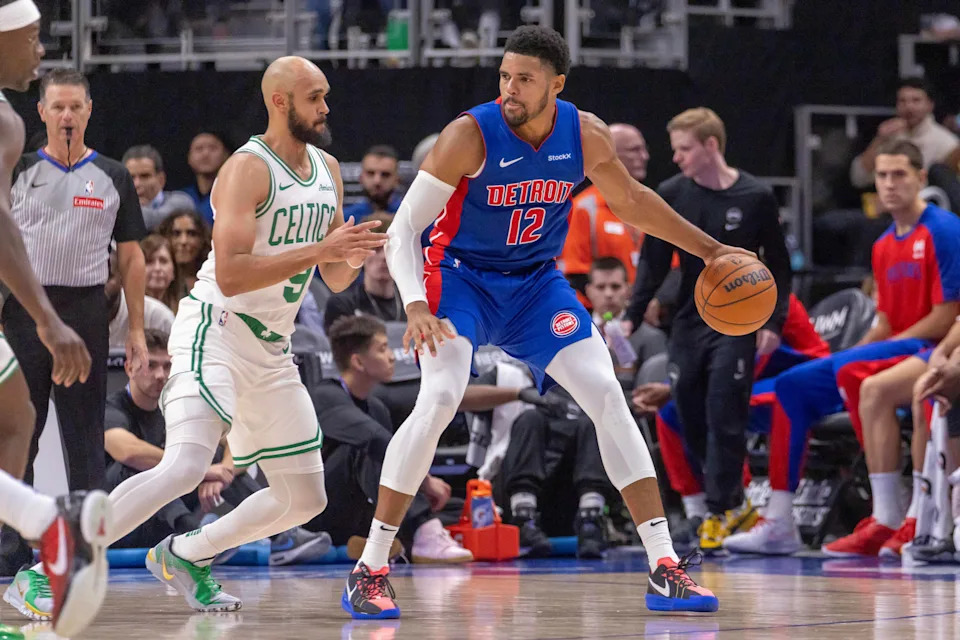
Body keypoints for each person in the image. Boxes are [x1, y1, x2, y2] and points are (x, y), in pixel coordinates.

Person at [342, 25, 753, 619]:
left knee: (609, 395)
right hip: (459, 279)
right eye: (504, 75)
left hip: (536, 283)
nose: (510, 88)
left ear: (556, 85)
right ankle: (371, 566)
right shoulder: (468, 134)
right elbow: (405, 228)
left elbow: (633, 202)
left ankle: (664, 566)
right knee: (438, 399)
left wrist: (712, 250)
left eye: (525, 79)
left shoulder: (584, 134)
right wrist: (414, 305)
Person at [18, 56, 388, 614]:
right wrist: (319, 250)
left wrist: (352, 253)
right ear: (281, 102)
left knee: (305, 497)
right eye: (316, 96)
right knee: (187, 462)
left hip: (271, 348)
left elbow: (332, 276)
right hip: (215, 327)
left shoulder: (329, 169)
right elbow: (234, 273)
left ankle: (188, 553)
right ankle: (52, 567)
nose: (326, 106)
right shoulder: (247, 168)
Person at [762, 141, 960, 557]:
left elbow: (945, 318)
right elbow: (885, 322)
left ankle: (896, 514)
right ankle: (778, 518)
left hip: (931, 347)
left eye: (899, 175)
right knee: (794, 385)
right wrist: (850, 351)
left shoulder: (943, 229)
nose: (889, 184)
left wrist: (857, 357)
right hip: (896, 347)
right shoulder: (883, 243)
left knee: (856, 374)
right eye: (882, 176)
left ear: (921, 179)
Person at [1, 67, 147, 578]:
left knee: (85, 434)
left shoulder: (113, 174)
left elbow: (131, 258)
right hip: (23, 312)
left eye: (75, 107)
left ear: (89, 111)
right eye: (57, 107)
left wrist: (133, 331)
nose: (66, 115)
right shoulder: (15, 169)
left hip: (85, 311)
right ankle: (8, 551)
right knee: (22, 429)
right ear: (40, 111)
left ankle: (84, 553)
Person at [627, 107, 792, 552]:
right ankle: (726, 503)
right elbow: (653, 262)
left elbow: (778, 263)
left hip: (738, 322)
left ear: (710, 146)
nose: (676, 158)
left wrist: (773, 320)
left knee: (725, 409)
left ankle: (723, 507)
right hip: (689, 320)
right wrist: (632, 311)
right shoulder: (671, 192)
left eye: (684, 149)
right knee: (688, 410)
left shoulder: (755, 196)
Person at [0, 2, 109, 636]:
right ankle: (51, 530)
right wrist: (45, 317)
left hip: (61, 303)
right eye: (33, 39)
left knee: (15, 416)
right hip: (33, 308)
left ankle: (46, 532)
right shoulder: (6, 125)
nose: (40, 51)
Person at [310, 315, 473, 564]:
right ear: (358, 361)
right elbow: (377, 442)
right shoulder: (325, 395)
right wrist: (425, 480)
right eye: (383, 349)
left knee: (456, 506)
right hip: (321, 511)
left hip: (362, 508)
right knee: (371, 447)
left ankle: (392, 539)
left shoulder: (377, 407)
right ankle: (424, 533)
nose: (393, 356)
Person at [324, 211, 406, 333]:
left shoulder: (411, 301)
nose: (384, 257)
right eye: (376, 249)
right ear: (359, 253)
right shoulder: (342, 304)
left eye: (389, 250)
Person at [123, 144, 196, 231]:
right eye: (131, 177)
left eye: (145, 176)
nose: (137, 184)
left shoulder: (181, 202)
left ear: (161, 179)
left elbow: (157, 220)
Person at [180, 131, 231, 227]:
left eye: (213, 148)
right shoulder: (181, 197)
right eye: (199, 149)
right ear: (189, 157)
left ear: (226, 155)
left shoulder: (235, 194)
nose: (205, 154)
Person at [343, 145, 403, 221]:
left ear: (397, 180)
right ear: (361, 178)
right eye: (370, 173)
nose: (377, 181)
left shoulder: (411, 218)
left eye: (385, 174)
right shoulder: (345, 219)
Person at [157, 209, 211, 294]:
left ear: (202, 239)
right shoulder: (154, 280)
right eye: (176, 233)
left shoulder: (212, 280)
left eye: (191, 234)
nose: (183, 241)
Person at [141, 233, 182, 313]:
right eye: (149, 261)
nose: (157, 268)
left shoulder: (185, 309)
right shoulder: (127, 308)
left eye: (163, 261)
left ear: (174, 271)